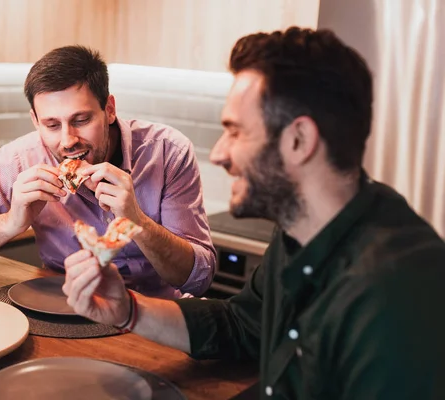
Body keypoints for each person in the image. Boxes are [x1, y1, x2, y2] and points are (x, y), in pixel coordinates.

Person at [62, 27, 445, 399]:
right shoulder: (299, 230)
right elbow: (243, 324)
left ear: (299, 141)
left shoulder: (396, 290)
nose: (219, 154)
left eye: (236, 131)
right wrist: (129, 310)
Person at [0, 45, 216, 299]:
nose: (67, 140)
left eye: (81, 120)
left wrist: (136, 220)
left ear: (109, 110)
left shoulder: (167, 152)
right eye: (51, 125)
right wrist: (10, 223)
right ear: (35, 121)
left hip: (156, 317)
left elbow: (198, 278)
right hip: (63, 312)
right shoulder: (19, 160)